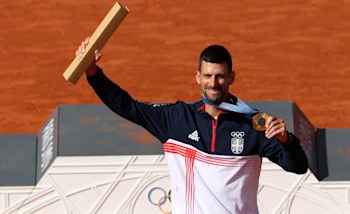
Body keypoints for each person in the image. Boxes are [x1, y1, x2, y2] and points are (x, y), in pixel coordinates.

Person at [77, 37, 308, 214]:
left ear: (231, 78)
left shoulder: (253, 125)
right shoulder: (177, 119)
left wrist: (286, 141)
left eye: (220, 76)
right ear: (197, 76)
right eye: (207, 76)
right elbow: (127, 106)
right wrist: (93, 72)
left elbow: (297, 166)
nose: (213, 83)